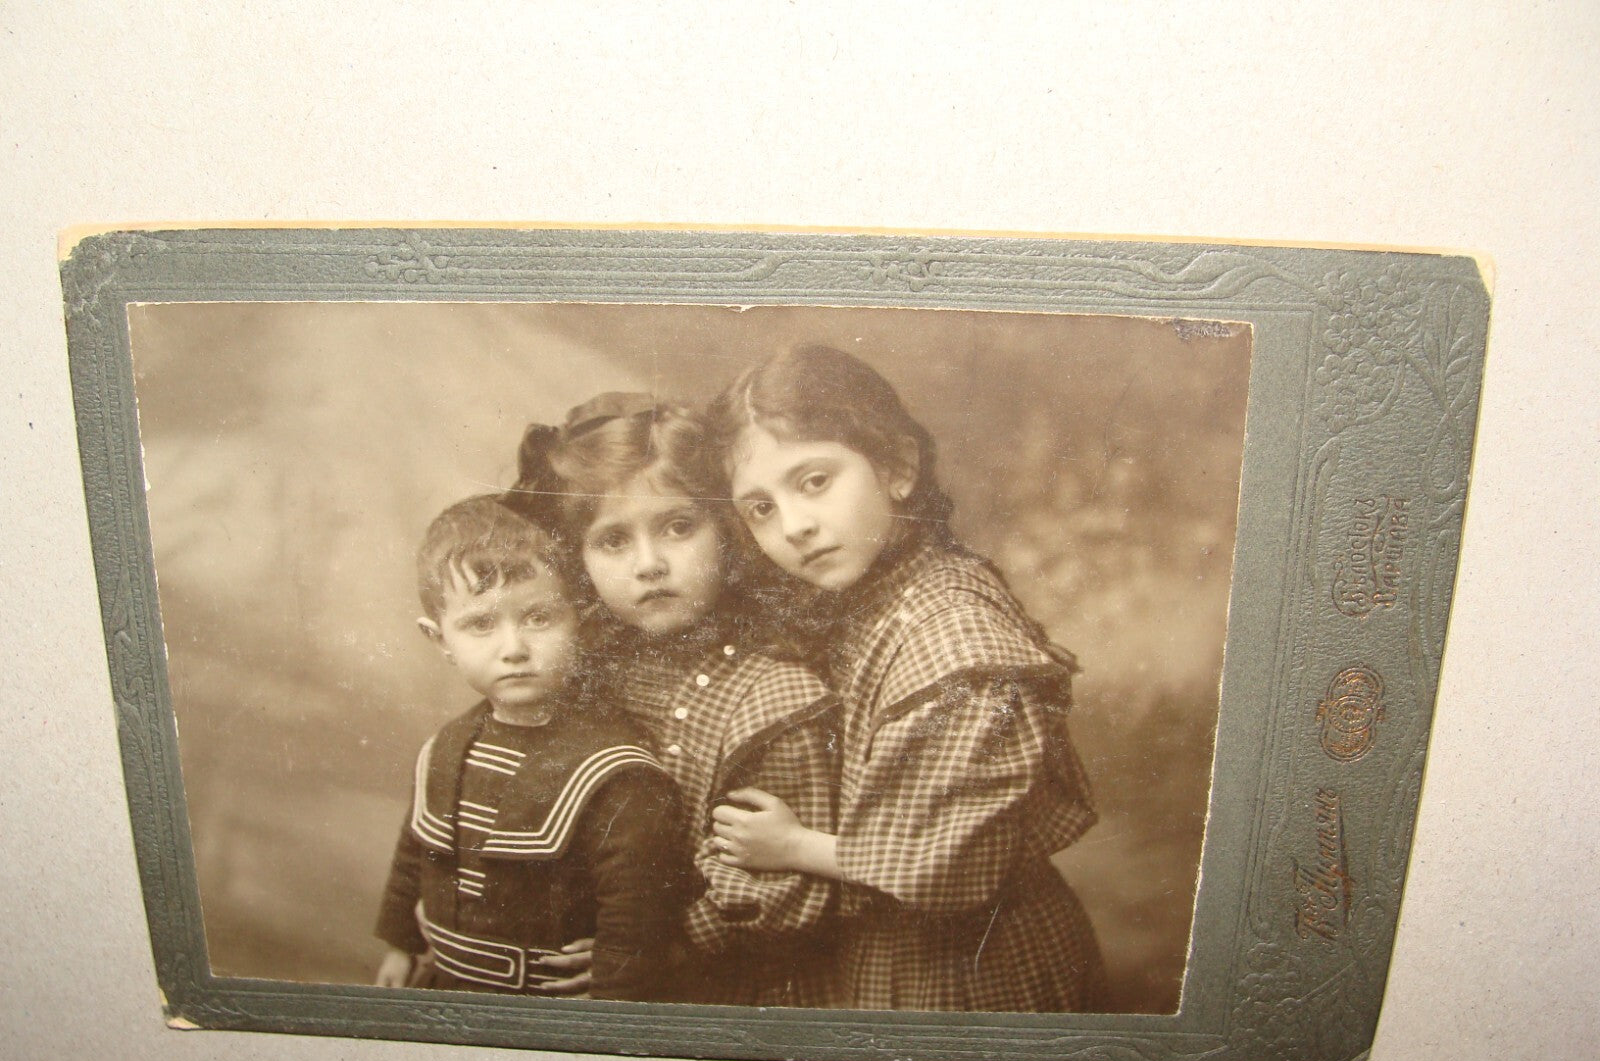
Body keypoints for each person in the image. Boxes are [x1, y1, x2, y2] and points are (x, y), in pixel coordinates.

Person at [703, 343, 1107, 1012]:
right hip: (889, 949)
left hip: (972, 969)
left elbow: (946, 867)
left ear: (896, 467)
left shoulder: (954, 641)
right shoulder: (874, 594)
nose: (795, 526)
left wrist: (795, 847)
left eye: (814, 481)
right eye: (761, 508)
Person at [512, 392, 841, 1007]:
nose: (650, 564)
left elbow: (779, 892)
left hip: (731, 989)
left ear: (730, 533)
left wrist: (652, 956)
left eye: (679, 527)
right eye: (613, 540)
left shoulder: (776, 699)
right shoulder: (594, 672)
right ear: (578, 562)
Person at [373, 493, 689, 1001]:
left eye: (538, 618)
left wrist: (615, 986)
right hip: (448, 987)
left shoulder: (613, 771)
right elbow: (417, 853)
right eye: (480, 624)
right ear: (440, 640)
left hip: (550, 1004)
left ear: (581, 622)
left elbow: (636, 908)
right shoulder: (446, 747)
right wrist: (401, 947)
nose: (514, 649)